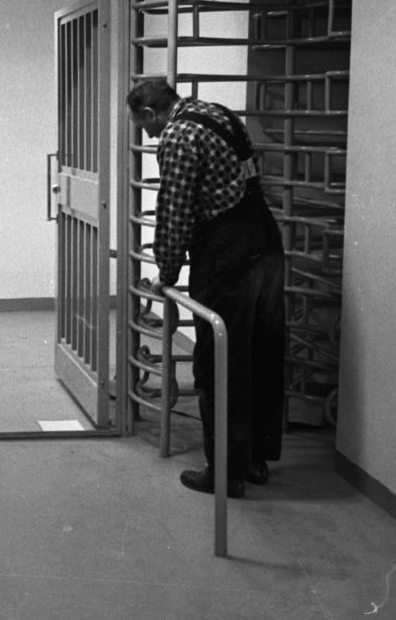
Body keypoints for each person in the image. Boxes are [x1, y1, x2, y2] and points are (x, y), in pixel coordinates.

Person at [127, 80, 285, 498]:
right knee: (261, 352)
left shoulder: (178, 135)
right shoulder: (220, 114)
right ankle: (256, 460)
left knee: (220, 360)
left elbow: (174, 209)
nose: (150, 136)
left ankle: (225, 473)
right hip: (266, 242)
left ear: (151, 113)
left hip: (228, 254)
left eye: (144, 126)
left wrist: (166, 269)